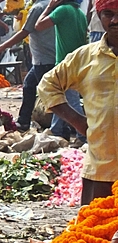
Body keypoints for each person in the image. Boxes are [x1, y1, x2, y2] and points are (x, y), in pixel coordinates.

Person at [39, 0, 118, 205]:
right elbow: (47, 85)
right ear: (99, 17)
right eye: (108, 14)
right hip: (101, 168)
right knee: (94, 231)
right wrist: (77, 121)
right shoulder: (85, 57)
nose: (115, 20)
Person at [0, 0, 54, 132]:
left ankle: (58, 126)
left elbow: (24, 32)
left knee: (50, 94)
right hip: (48, 57)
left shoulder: (37, 8)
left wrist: (1, 47)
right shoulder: (52, 5)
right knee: (29, 85)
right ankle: (24, 121)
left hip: (44, 59)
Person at [35, 0, 87, 140]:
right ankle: (56, 131)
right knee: (61, 98)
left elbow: (39, 25)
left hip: (65, 62)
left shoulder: (62, 10)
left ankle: (83, 137)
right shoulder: (80, 13)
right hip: (78, 62)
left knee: (71, 100)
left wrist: (49, 7)